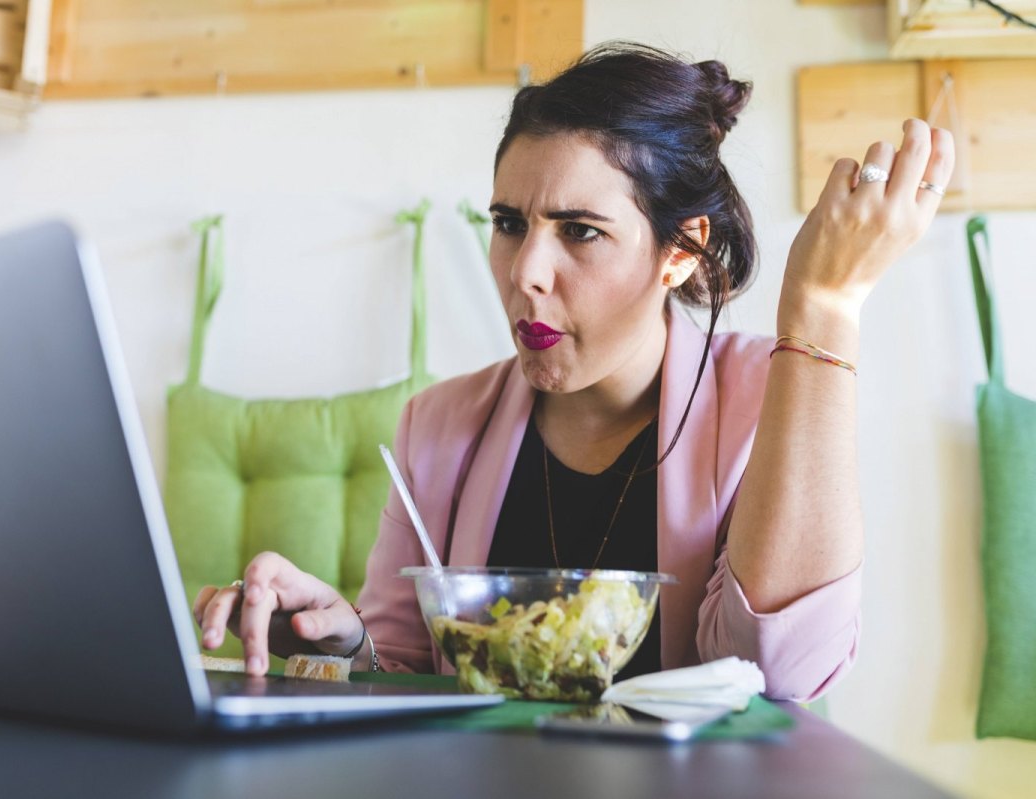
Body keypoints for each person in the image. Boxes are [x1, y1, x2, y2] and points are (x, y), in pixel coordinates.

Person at [192, 42, 954, 701]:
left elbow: (777, 669)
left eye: (581, 231)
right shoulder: (438, 426)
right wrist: (337, 642)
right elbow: (404, 673)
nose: (526, 272)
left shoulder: (772, 395)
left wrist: (820, 309)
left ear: (680, 250)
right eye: (509, 223)